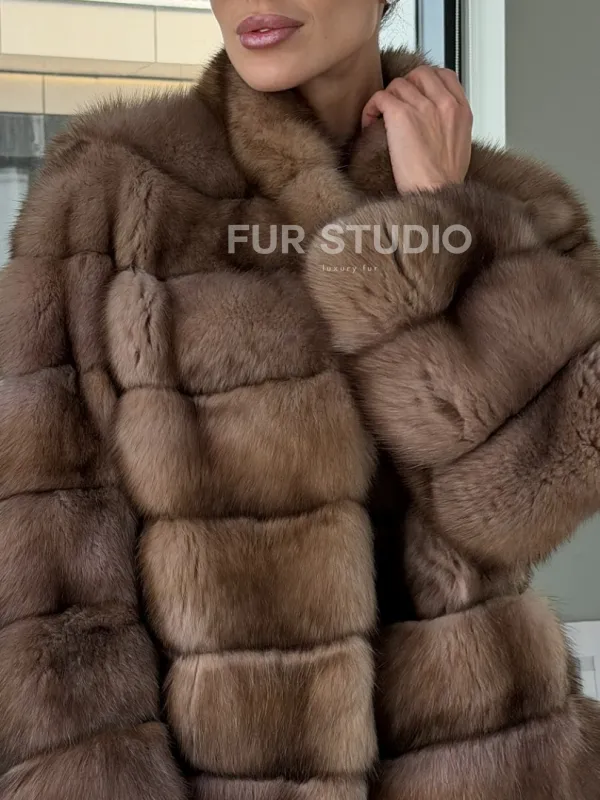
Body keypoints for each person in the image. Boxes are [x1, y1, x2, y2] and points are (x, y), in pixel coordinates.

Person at [1, 0, 600, 797]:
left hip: (491, 768)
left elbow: (529, 497)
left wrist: (440, 218)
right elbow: (52, 576)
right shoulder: (113, 188)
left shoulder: (512, 209)